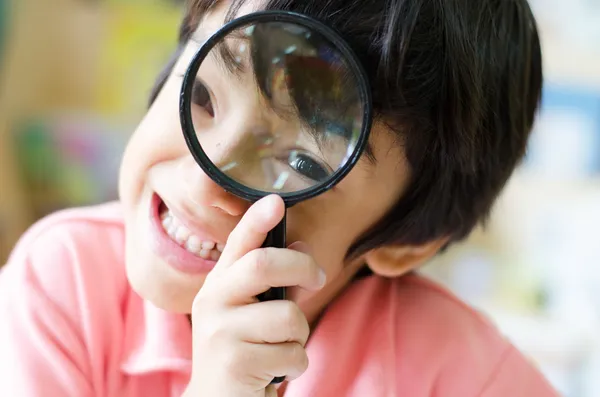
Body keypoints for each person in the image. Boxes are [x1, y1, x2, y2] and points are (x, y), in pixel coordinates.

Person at [0, 0, 560, 396]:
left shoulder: (454, 369)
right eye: (202, 94)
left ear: (406, 244)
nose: (202, 180)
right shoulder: (62, 284)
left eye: (300, 164)